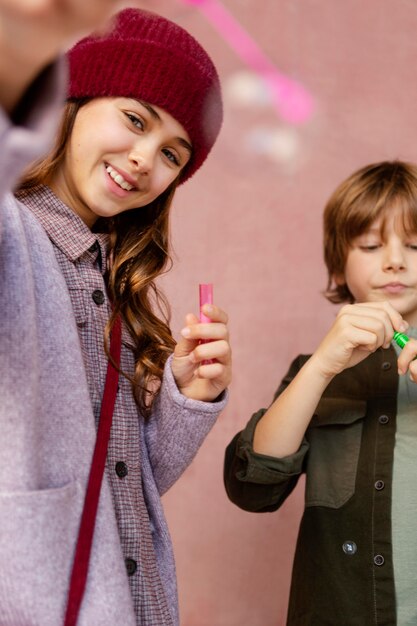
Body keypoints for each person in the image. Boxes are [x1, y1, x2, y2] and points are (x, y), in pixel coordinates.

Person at [1, 5, 231, 626]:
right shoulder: (13, 239)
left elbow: (125, 486)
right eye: (134, 119)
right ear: (72, 99)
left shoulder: (109, 280)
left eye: (173, 155)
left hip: (136, 604)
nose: (143, 159)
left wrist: (188, 397)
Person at [224, 161, 417, 626]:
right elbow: (253, 489)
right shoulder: (311, 374)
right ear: (337, 264)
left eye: (414, 244)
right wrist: (320, 368)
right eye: (371, 245)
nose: (395, 260)